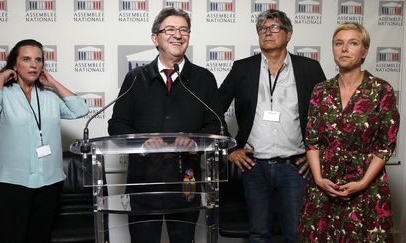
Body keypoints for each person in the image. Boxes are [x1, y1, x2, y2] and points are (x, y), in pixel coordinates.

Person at [108, 7, 224, 243]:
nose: (178, 35)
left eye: (184, 30)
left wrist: (194, 140)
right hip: (144, 181)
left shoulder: (203, 78)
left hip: (187, 181)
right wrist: (142, 141)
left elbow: (217, 125)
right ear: (155, 38)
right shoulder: (136, 78)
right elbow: (117, 125)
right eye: (170, 29)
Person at [219, 9, 326, 242]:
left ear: (288, 34)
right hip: (254, 167)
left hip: (295, 168)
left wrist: (314, 155)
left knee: (297, 234)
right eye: (262, 29)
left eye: (274, 27)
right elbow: (213, 111)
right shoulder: (242, 68)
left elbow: (326, 117)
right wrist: (230, 150)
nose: (267, 32)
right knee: (258, 234)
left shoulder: (310, 69)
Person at [0, 39, 88, 243]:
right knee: (13, 238)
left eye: (38, 60)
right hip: (12, 183)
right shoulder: (5, 94)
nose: (33, 64)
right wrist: (2, 76)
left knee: (40, 238)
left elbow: (80, 109)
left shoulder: (49, 96)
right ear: (15, 64)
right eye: (26, 59)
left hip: (49, 181)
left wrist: (53, 82)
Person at [297, 22, 399, 242]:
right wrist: (318, 178)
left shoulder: (382, 90)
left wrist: (362, 183)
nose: (344, 49)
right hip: (324, 185)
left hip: (366, 185)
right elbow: (312, 140)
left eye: (353, 43)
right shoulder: (320, 90)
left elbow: (385, 145)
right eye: (338, 43)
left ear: (364, 51)